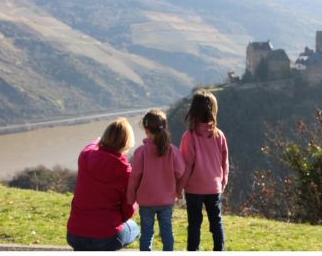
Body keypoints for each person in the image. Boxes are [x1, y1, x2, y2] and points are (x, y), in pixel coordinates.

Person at [66, 118, 140, 251]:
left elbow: (91, 145)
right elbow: (128, 209)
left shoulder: (85, 156)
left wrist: (99, 140)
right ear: (127, 143)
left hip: (74, 234)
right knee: (135, 229)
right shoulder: (126, 172)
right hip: (105, 237)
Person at [127, 110, 185, 251]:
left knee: (147, 234)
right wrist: (177, 190)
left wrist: (130, 198)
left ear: (146, 130)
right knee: (166, 233)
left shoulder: (141, 152)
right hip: (166, 201)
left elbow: (135, 177)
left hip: (146, 202)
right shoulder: (172, 151)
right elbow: (181, 171)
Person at [179, 90, 229, 251]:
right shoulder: (219, 135)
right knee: (216, 222)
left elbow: (185, 166)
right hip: (214, 187)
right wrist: (222, 182)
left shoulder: (189, 136)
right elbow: (224, 162)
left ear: (193, 111)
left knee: (194, 223)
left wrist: (179, 187)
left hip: (194, 188)